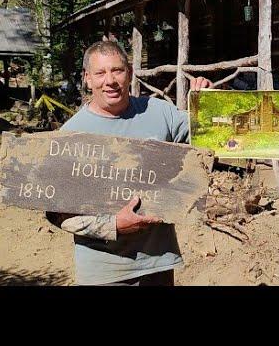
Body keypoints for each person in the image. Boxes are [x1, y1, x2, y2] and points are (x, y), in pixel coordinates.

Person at [46, 40, 212, 286]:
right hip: (104, 272)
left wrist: (206, 105)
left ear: (130, 73)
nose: (110, 80)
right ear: (87, 79)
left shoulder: (158, 112)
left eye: (117, 70)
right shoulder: (71, 136)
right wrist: (113, 225)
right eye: (100, 73)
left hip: (158, 263)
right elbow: (57, 214)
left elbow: (207, 137)